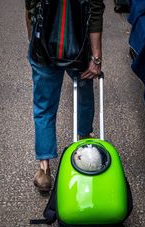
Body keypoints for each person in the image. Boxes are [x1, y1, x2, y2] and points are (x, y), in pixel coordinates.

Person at [25, 0, 105, 192]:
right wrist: (96, 57)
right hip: (79, 46)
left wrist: (33, 43)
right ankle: (85, 142)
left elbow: (30, 6)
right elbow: (95, 10)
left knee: (44, 106)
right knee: (84, 93)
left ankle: (44, 171)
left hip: (44, 46)